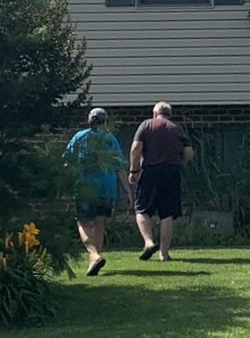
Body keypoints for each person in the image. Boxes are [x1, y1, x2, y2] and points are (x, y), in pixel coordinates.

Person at [63, 107, 125, 276]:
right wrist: (128, 192)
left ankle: (93, 254)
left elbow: (67, 163)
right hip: (107, 187)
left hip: (85, 186)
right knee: (99, 223)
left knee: (83, 222)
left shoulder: (79, 137)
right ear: (106, 122)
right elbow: (119, 167)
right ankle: (94, 262)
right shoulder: (110, 139)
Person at [129, 101, 193, 262]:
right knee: (168, 213)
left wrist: (133, 170)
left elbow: (136, 148)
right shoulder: (177, 129)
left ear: (154, 113)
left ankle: (149, 242)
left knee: (142, 209)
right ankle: (164, 254)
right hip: (172, 172)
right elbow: (189, 153)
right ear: (169, 114)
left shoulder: (146, 125)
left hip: (150, 171)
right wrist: (180, 162)